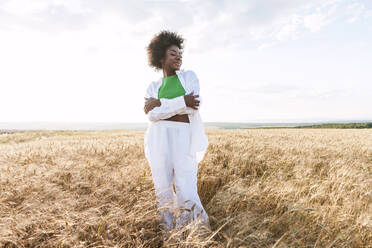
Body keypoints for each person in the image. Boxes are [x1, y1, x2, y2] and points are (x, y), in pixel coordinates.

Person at [143, 30, 210, 242]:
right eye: (173, 53)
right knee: (162, 188)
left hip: (183, 137)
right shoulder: (153, 86)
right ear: (161, 56)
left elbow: (193, 107)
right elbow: (152, 115)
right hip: (158, 139)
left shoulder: (189, 77)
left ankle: (195, 234)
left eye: (180, 53)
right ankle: (170, 235)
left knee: (186, 187)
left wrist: (161, 104)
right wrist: (181, 102)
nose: (179, 56)